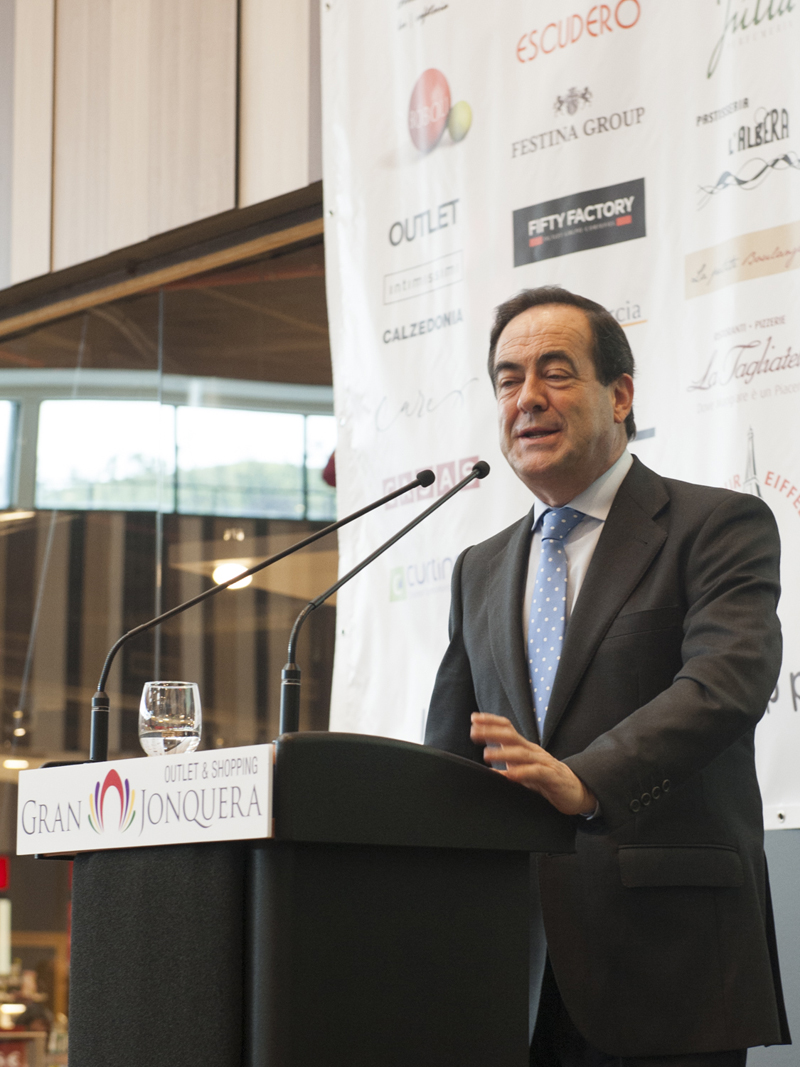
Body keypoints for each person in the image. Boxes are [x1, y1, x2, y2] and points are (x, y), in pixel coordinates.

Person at [424, 287, 790, 1067]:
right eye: (508, 379)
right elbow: (451, 752)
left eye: (555, 373)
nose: (527, 397)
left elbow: (728, 680)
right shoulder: (478, 568)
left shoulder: (716, 527)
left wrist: (586, 778)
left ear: (620, 395)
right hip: (508, 971)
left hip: (668, 961)